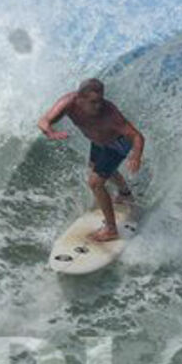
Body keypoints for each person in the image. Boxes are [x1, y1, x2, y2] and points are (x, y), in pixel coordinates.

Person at [37, 78, 144, 242]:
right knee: (96, 167)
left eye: (100, 101)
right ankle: (125, 193)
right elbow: (44, 121)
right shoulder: (68, 103)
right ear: (79, 98)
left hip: (118, 144)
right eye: (93, 102)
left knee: (95, 182)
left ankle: (111, 230)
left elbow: (137, 136)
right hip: (98, 141)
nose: (98, 106)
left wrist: (136, 156)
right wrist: (50, 132)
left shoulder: (110, 114)